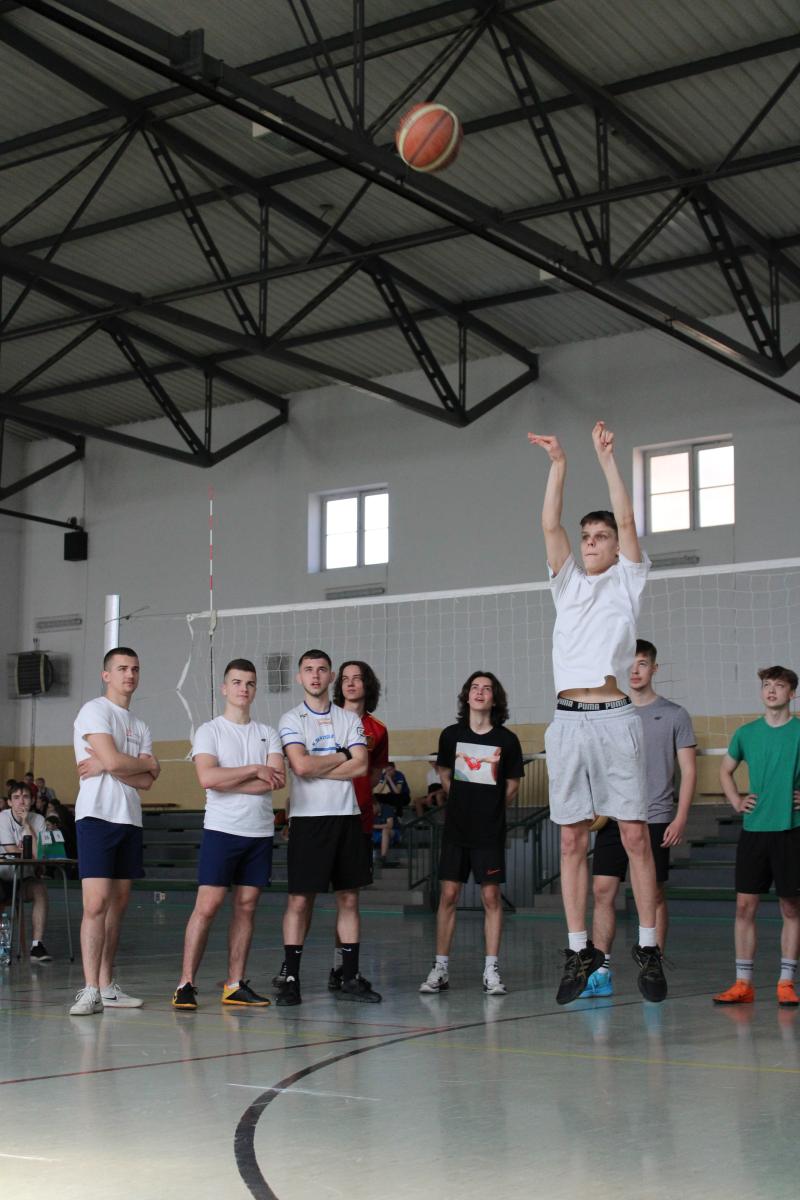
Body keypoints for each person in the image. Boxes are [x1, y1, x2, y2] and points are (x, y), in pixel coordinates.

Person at [529, 421, 667, 1004]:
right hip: (567, 722)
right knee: (570, 842)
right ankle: (578, 948)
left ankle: (649, 948)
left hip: (614, 718)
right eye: (586, 535)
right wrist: (559, 463)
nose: (589, 542)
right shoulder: (565, 584)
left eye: (599, 536)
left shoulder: (627, 582)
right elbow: (549, 524)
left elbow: (628, 520)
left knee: (634, 835)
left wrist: (607, 459)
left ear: (614, 547)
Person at [582, 639, 697, 996]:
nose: (635, 670)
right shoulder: (611, 713)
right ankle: (600, 971)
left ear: (654, 669)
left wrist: (680, 818)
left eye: (643, 663)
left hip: (655, 817)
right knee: (602, 890)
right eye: (630, 664)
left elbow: (689, 771)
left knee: (654, 894)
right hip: (615, 815)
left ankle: (652, 968)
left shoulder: (675, 714)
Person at [172, 659, 284, 1010]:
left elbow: (276, 781)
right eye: (236, 682)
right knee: (207, 906)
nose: (243, 689)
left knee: (246, 907)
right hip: (222, 830)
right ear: (224, 688)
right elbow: (208, 778)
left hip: (259, 832)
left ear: (255, 689)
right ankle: (185, 983)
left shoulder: (268, 732)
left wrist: (230, 778)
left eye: (249, 683)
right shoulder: (210, 731)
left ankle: (234, 984)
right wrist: (254, 769)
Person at [272, 660, 390, 992]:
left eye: (322, 669)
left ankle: (347, 974)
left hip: (349, 817)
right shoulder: (292, 719)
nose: (315, 675)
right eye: (309, 670)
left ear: (330, 676)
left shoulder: (354, 721)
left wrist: (319, 765)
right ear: (300, 677)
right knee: (300, 899)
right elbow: (301, 766)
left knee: (349, 898)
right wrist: (340, 755)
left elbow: (362, 768)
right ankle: (291, 974)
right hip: (309, 819)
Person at [419, 671, 523, 996]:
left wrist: (488, 808)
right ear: (467, 696)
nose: (480, 692)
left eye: (486, 688)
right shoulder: (451, 735)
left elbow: (512, 785)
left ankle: (491, 969)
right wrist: (463, 801)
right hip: (456, 830)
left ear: (494, 698)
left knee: (491, 898)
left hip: (488, 832)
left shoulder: (507, 740)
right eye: (475, 687)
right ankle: (440, 968)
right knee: (448, 896)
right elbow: (445, 775)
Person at [69, 647, 160, 1016]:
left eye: (135, 669)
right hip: (96, 816)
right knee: (95, 904)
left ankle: (106, 986)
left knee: (118, 906)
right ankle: (89, 989)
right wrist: (132, 764)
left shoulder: (141, 726)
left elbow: (148, 781)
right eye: (122, 668)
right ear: (106, 675)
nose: (130, 675)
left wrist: (111, 764)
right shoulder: (95, 710)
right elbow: (135, 767)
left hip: (130, 819)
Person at [714, 666, 800, 1008]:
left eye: (779, 685)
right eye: (766, 685)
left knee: (790, 906)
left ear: (792, 693)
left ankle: (786, 982)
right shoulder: (746, 733)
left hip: (791, 830)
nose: (771, 690)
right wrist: (736, 800)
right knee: (744, 906)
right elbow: (725, 770)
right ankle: (743, 983)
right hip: (754, 831)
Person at [0, 781, 52, 961]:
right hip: (2, 877)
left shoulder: (39, 820)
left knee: (40, 889)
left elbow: (39, 855)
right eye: (16, 798)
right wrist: (29, 854)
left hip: (23, 880)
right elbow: (12, 852)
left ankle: (37, 945)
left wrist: (27, 825)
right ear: (9, 802)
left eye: (26, 797)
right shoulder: (2, 818)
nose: (21, 801)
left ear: (32, 800)